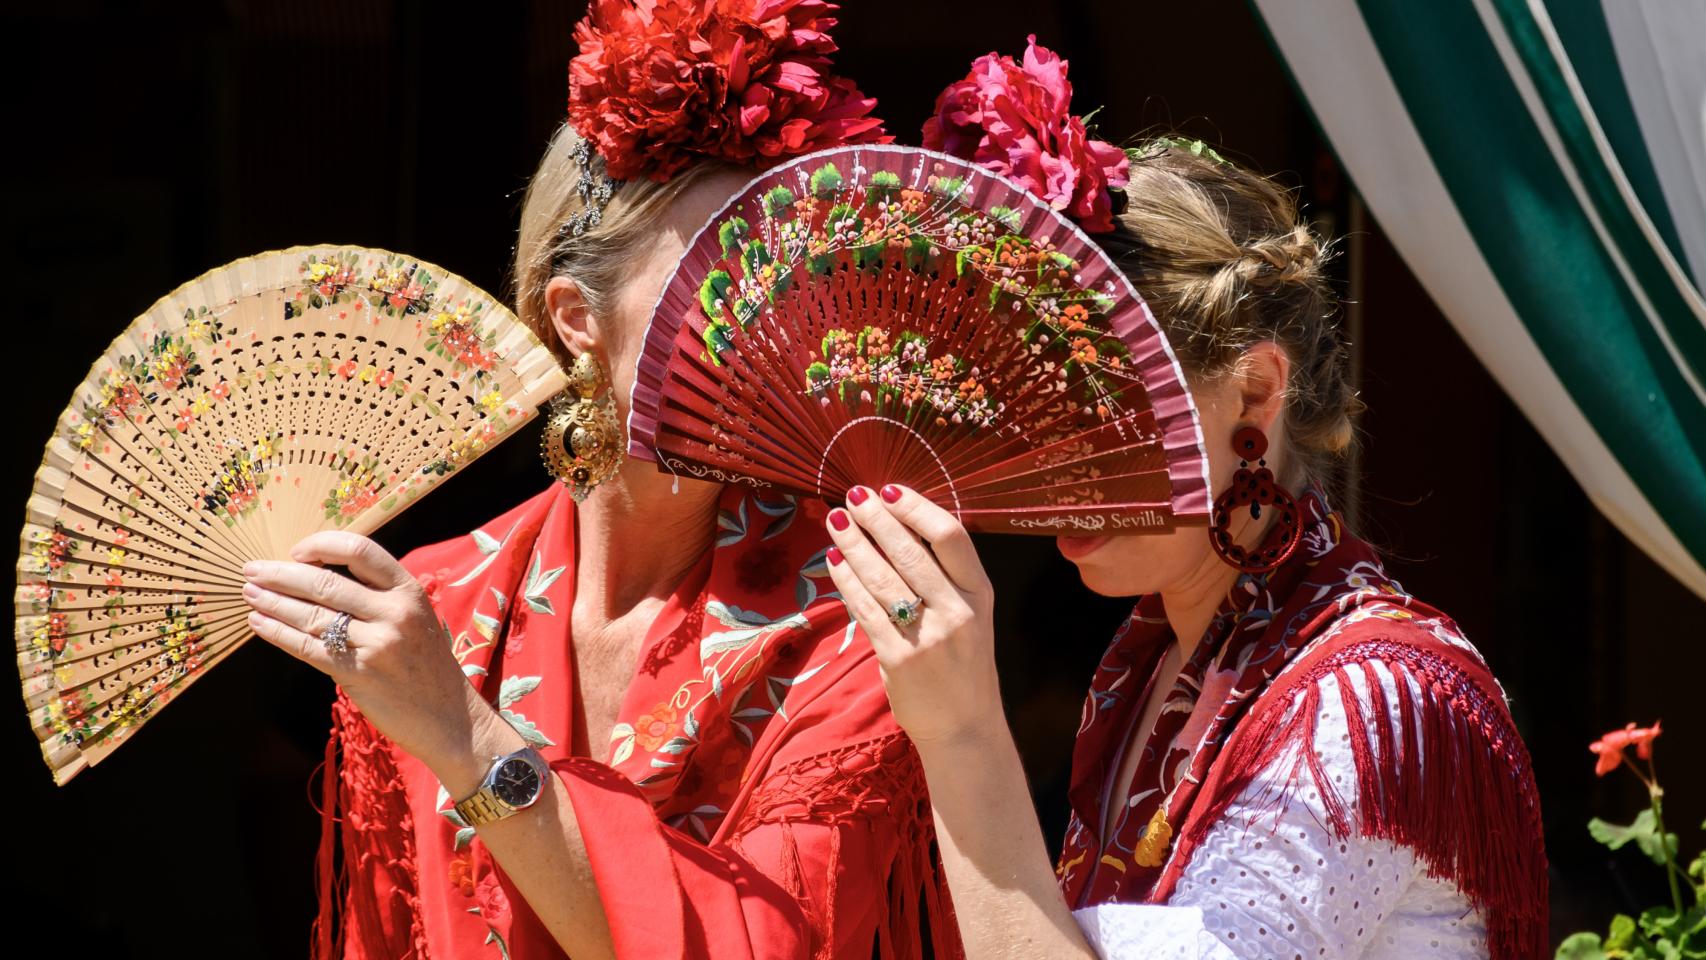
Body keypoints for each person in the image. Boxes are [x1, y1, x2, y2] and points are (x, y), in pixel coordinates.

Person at [238, 3, 954, 958]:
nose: (768, 324)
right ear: (578, 318)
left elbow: (766, 944)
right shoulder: (434, 606)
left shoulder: (863, 609)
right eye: (718, 277)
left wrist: (462, 732)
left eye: (789, 277)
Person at [823, 37, 1548, 960]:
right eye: (1024, 417)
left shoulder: (1362, 700)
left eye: (1093, 410)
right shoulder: (1155, 661)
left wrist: (964, 734)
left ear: (1253, 391)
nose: (1048, 470)